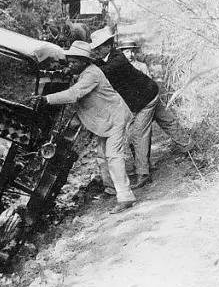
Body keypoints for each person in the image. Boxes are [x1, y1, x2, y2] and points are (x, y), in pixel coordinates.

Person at [32, 40, 136, 213]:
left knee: (113, 156)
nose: (70, 65)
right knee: (103, 156)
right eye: (70, 61)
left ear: (84, 61)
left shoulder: (92, 74)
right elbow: (74, 80)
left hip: (115, 117)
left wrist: (46, 99)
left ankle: (126, 197)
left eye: (74, 62)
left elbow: (74, 94)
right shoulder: (84, 72)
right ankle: (111, 188)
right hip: (105, 119)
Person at [89, 26, 192, 189]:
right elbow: (98, 64)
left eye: (99, 48)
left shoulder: (117, 59)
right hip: (149, 91)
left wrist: (85, 70)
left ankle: (143, 173)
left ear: (108, 45)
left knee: (138, 134)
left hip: (145, 99)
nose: (97, 51)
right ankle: (188, 146)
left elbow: (102, 71)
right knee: (167, 121)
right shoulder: (110, 57)